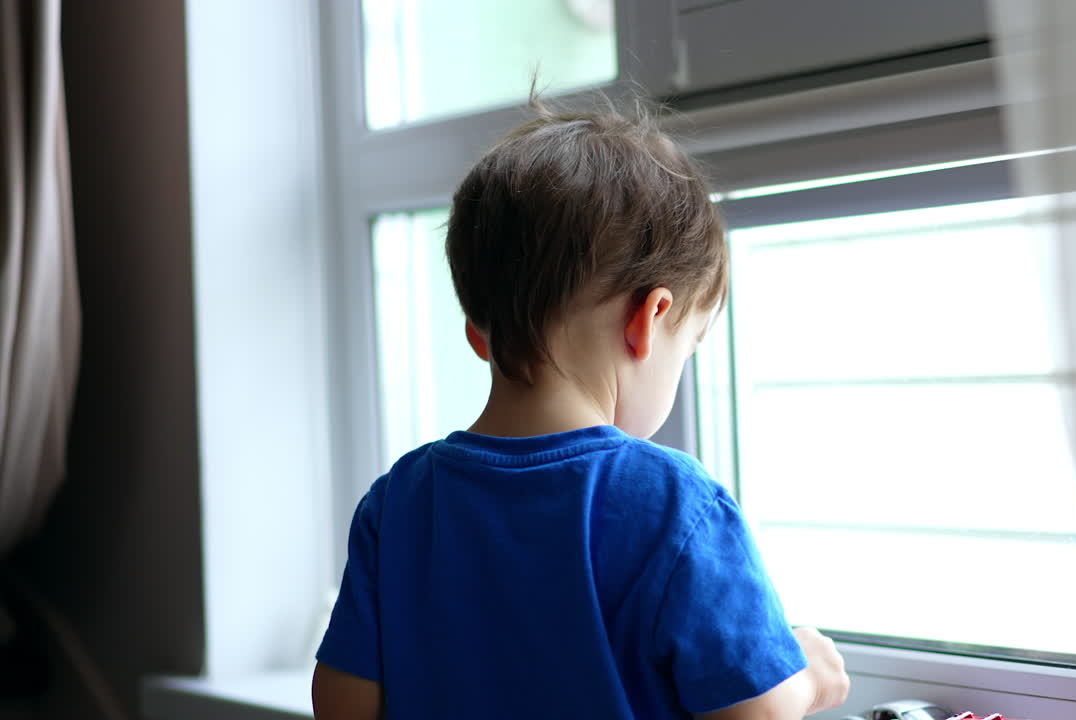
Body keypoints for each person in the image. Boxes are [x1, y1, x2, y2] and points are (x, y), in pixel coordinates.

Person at [311, 95, 850, 719]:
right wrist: (804, 674)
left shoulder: (401, 500)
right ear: (649, 321)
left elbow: (340, 704)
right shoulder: (675, 503)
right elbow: (753, 711)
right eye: (690, 347)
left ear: (477, 331)